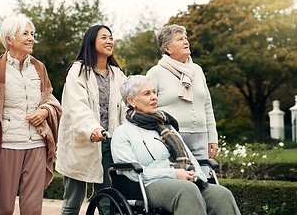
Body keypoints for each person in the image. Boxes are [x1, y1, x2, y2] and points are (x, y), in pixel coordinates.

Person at [111, 75, 240, 214]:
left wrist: (197, 176)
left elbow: (190, 158)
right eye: (147, 93)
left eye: (154, 92)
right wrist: (173, 174)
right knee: (186, 190)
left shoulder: (168, 128)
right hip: (146, 185)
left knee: (221, 194)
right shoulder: (122, 133)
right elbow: (131, 172)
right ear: (131, 101)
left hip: (182, 180)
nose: (154, 97)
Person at [0, 14, 62, 215]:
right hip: (7, 145)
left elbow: (50, 99)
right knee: (4, 208)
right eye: (25, 33)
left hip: (37, 145)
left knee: (33, 210)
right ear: (9, 39)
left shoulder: (39, 67)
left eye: (32, 34)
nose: (31, 38)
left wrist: (45, 110)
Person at [56, 25, 127, 215]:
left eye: (111, 38)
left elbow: (127, 106)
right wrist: (93, 129)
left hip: (109, 145)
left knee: (107, 200)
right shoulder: (78, 71)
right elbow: (77, 106)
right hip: (83, 142)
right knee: (73, 201)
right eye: (103, 37)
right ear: (91, 41)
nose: (109, 41)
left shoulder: (117, 74)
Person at [147, 24, 219, 175]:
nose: (186, 41)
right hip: (170, 137)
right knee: (181, 182)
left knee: (203, 180)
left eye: (186, 38)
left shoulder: (197, 70)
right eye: (180, 39)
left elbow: (207, 106)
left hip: (200, 136)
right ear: (167, 48)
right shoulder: (156, 73)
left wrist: (213, 137)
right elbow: (147, 106)